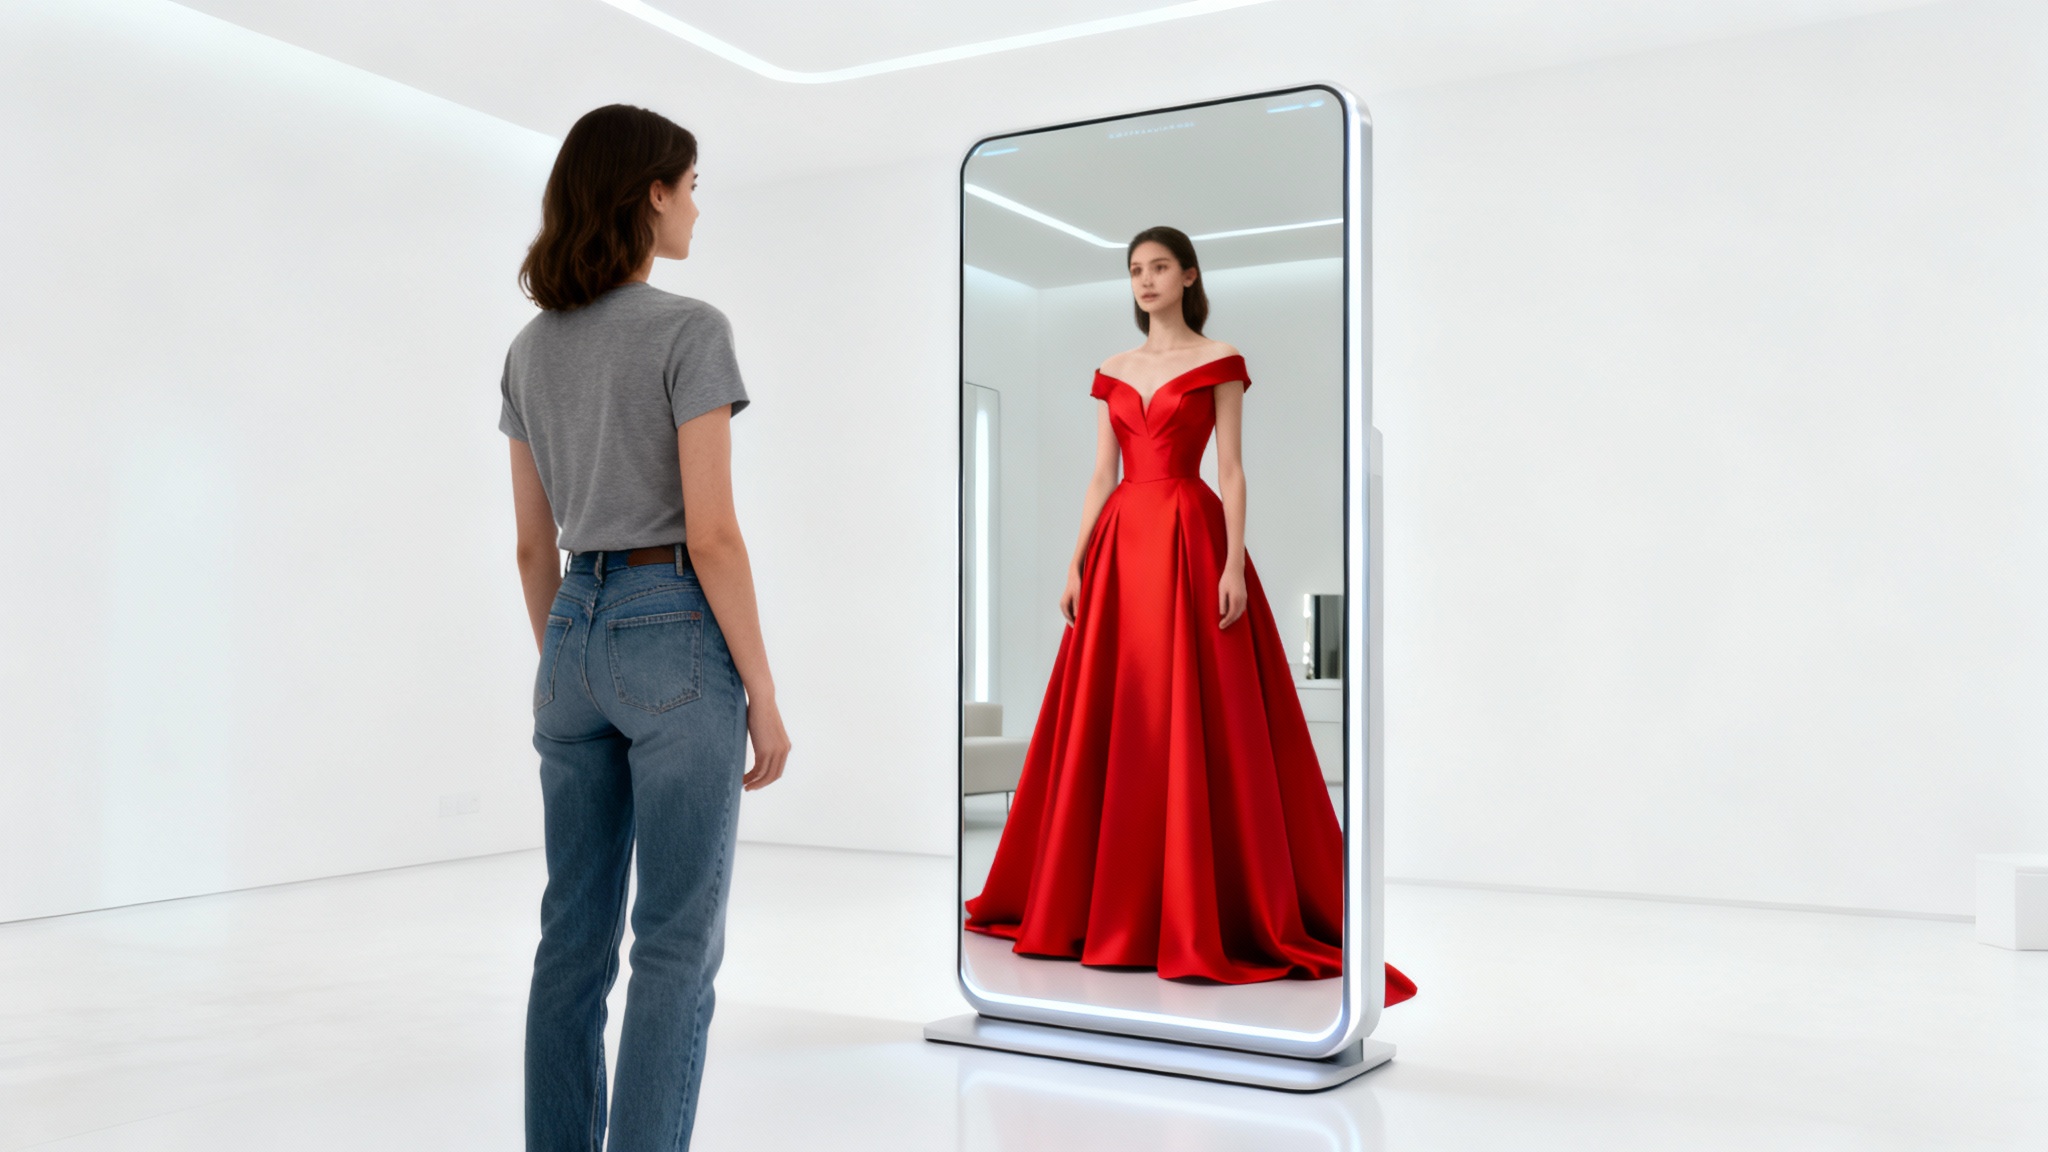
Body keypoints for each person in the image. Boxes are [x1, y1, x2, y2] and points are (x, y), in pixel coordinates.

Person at [964, 227, 1413, 1004]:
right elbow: (1099, 474)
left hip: (1190, 536)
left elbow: (1231, 470)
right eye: (1135, 270)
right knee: (1120, 711)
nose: (1145, 280)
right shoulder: (1112, 369)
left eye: (1159, 267)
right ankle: (1104, 899)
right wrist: (1076, 561)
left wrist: (1233, 561)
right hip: (1120, 546)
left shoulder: (1219, 360)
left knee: (1198, 714)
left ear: (1189, 275)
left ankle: (1202, 901)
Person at [501, 104, 791, 1152]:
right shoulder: (688, 328)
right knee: (673, 945)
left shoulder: (529, 350)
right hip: (672, 626)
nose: (697, 208)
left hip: (570, 626)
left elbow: (531, 547)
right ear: (650, 193)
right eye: (691, 186)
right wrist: (762, 692)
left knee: (570, 943)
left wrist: (571, 661)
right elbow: (710, 533)